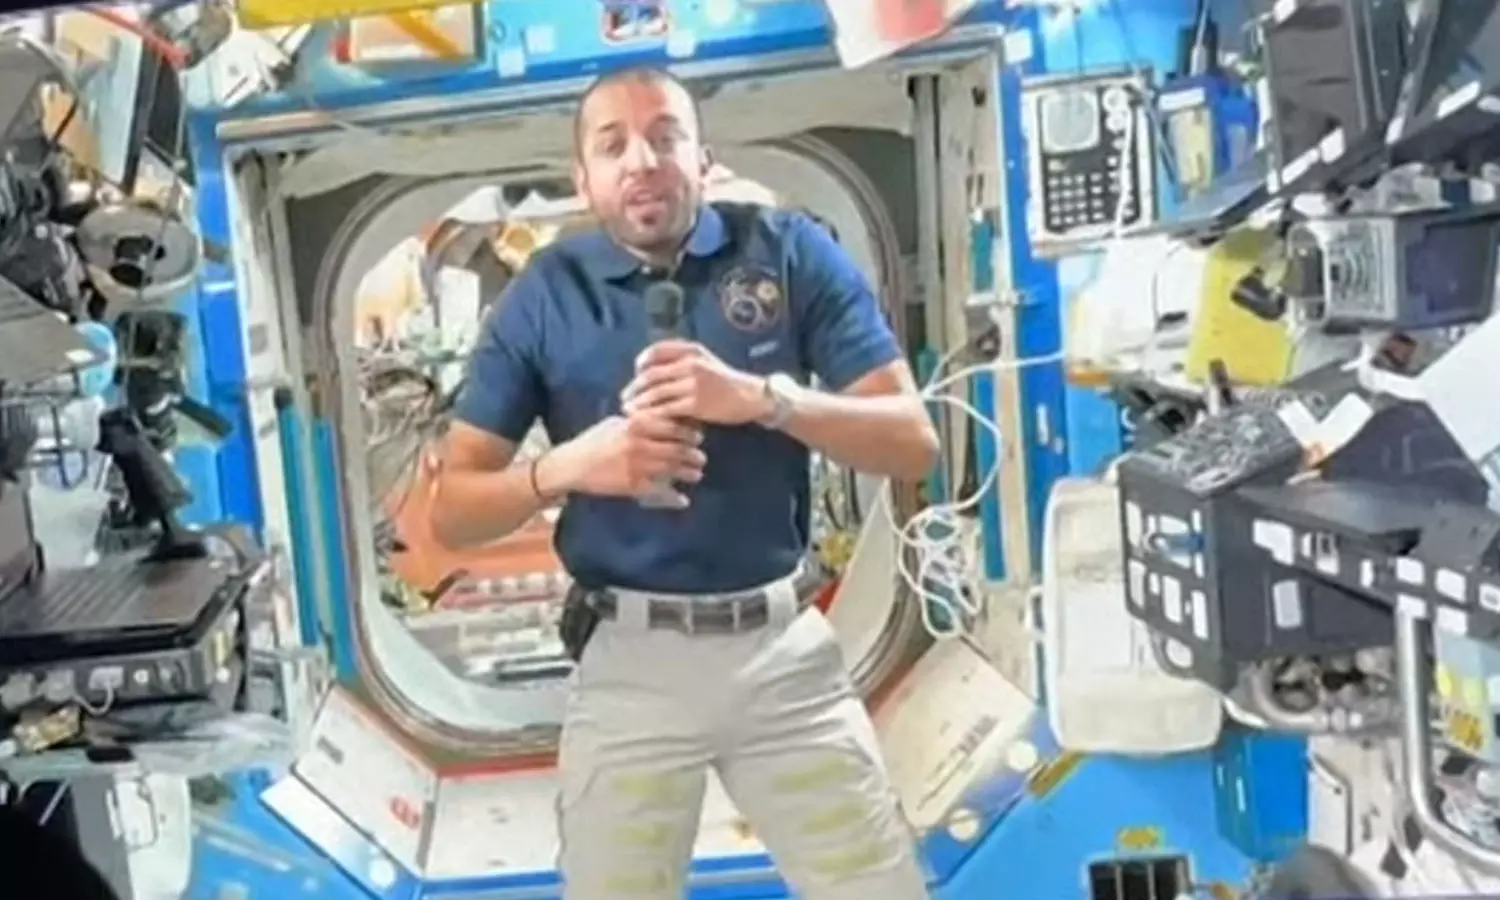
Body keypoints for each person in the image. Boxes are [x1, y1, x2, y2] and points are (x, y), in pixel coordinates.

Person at [431, 66, 940, 900]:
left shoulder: (788, 254)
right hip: (629, 663)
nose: (642, 160)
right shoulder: (543, 296)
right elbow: (454, 511)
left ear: (703, 159)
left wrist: (765, 399)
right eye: (613, 145)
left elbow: (913, 444)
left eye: (665, 137)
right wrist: (569, 467)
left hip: (782, 655)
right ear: (583, 179)